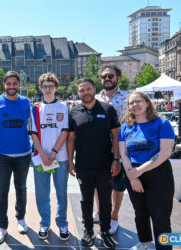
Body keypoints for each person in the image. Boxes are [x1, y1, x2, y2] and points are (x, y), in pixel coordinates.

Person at [68, 78, 120, 248]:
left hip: (105, 165)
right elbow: (71, 139)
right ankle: (88, 231)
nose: (85, 93)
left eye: (88, 89)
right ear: (78, 93)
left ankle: (104, 231)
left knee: (105, 200)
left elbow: (115, 136)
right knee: (86, 200)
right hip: (83, 165)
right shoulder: (74, 112)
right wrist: (70, 161)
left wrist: (116, 159)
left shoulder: (108, 109)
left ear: (94, 89)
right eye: (81, 90)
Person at [119, 92, 175, 250]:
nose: (134, 105)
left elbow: (165, 152)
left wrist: (139, 171)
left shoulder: (162, 124)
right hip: (133, 174)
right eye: (131, 103)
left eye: (138, 101)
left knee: (161, 218)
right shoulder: (126, 127)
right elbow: (124, 153)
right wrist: (132, 176)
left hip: (158, 173)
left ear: (147, 103)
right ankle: (143, 243)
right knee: (140, 213)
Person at [0, 71, 31, 244]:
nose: (11, 86)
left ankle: (21, 218)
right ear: (4, 84)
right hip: (1, 155)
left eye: (14, 83)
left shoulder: (26, 102)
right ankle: (2, 226)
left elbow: (31, 128)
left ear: (19, 84)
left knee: (21, 188)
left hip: (23, 154)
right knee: (1, 192)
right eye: (8, 83)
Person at [28, 73, 70, 241]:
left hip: (60, 156)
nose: (47, 89)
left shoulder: (64, 107)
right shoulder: (35, 108)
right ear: (40, 88)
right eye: (44, 86)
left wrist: (52, 153)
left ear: (56, 87)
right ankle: (44, 222)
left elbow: (65, 131)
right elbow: (33, 134)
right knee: (42, 193)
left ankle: (62, 223)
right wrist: (44, 155)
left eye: (50, 86)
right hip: (40, 157)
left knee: (61, 192)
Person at [94, 64, 129, 234]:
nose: (107, 79)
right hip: (98, 146)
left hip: (119, 146)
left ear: (118, 78)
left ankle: (114, 216)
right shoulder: (95, 98)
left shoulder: (128, 98)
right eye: (104, 76)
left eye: (110, 76)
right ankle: (101, 211)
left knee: (117, 183)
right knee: (96, 182)